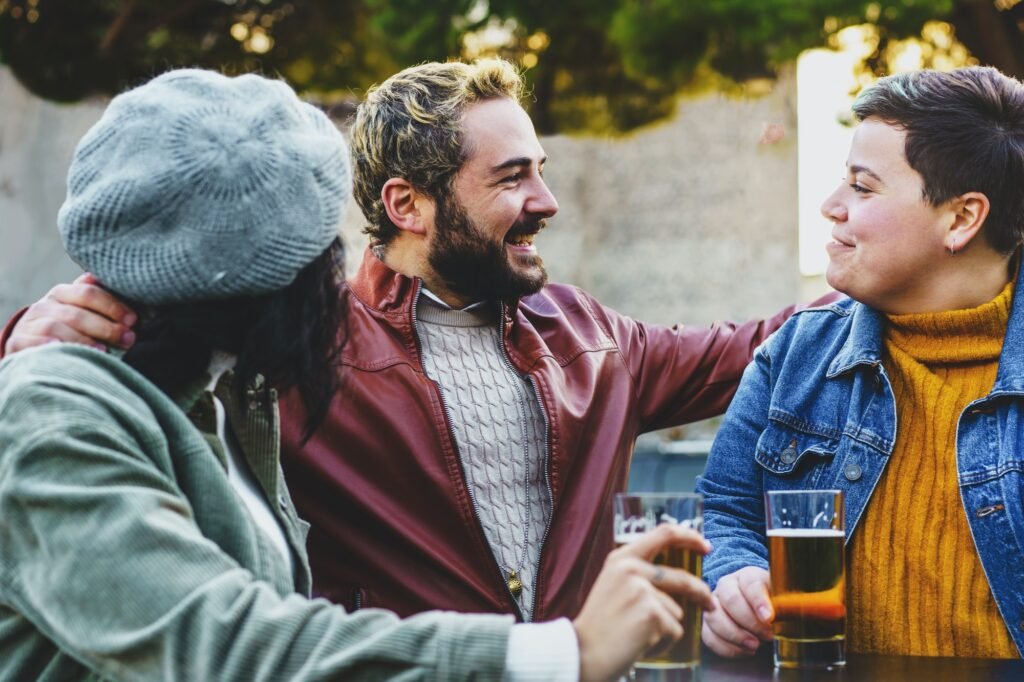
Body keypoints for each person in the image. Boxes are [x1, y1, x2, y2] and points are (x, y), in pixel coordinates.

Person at [1, 58, 824, 623]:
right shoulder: (291, 350)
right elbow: (129, 387)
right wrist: (24, 341)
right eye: (512, 177)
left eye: (540, 169)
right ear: (407, 204)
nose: (547, 200)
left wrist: (890, 272)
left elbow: (770, 345)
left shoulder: (594, 337)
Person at [697, 66, 1024, 659]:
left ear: (961, 219)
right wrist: (732, 575)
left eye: (863, 187)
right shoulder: (795, 354)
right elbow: (724, 511)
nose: (831, 206)